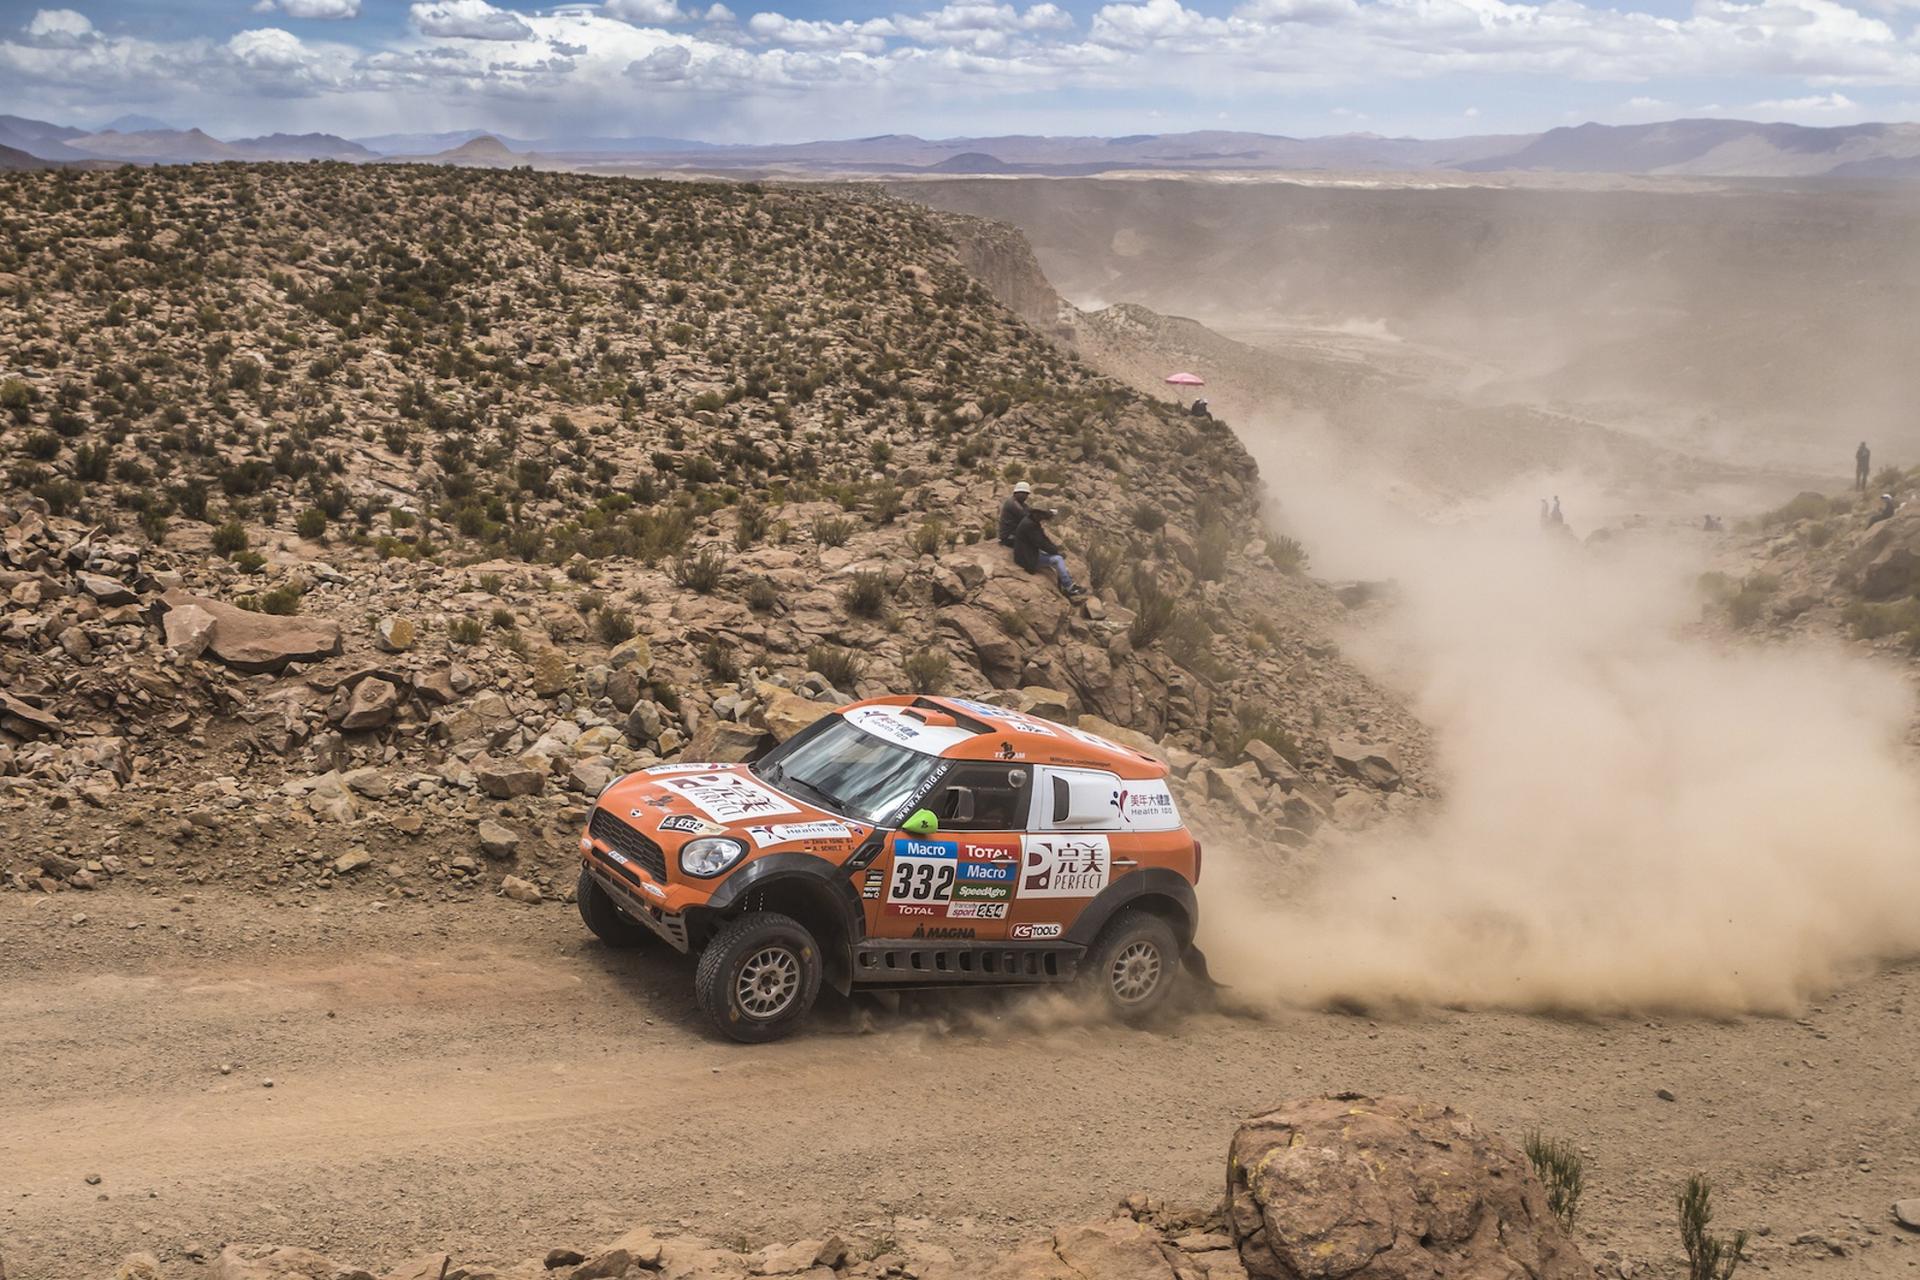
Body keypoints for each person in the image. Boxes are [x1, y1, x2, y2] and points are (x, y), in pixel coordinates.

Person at [1012, 505, 1086, 599]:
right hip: (1027, 558)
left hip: (1026, 553)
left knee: (1054, 558)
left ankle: (1065, 581)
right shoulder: (1030, 525)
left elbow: (1043, 539)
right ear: (1034, 513)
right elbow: (1041, 543)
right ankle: (1069, 587)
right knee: (1058, 559)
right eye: (1040, 514)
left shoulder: (1030, 520)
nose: (1042, 517)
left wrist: (1053, 549)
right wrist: (1056, 552)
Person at [997, 481, 1033, 547]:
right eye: (1023, 493)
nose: (1025, 496)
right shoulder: (1012, 503)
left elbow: (1030, 511)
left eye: (1026, 494)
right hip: (1009, 536)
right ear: (1016, 493)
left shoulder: (1021, 503)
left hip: (1015, 534)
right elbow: (1025, 516)